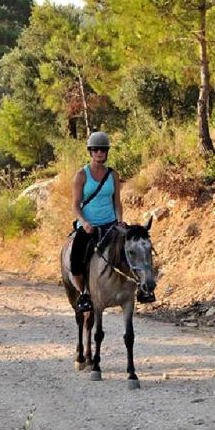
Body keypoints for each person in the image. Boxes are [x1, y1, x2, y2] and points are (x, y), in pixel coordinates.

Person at [70, 131, 125, 312]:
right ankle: (84, 292)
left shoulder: (113, 175)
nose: (99, 152)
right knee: (76, 257)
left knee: (135, 246)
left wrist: (119, 220)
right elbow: (76, 206)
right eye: (95, 149)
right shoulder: (81, 175)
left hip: (110, 223)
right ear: (90, 152)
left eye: (103, 149)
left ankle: (140, 287)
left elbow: (117, 202)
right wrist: (84, 222)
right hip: (88, 226)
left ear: (107, 152)